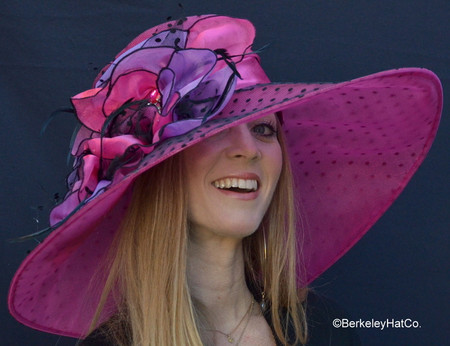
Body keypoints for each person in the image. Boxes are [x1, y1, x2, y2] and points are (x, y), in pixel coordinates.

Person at [8, 15, 442, 345]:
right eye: (214, 130)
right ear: (157, 165)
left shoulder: (326, 329)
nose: (249, 149)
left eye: (264, 129)